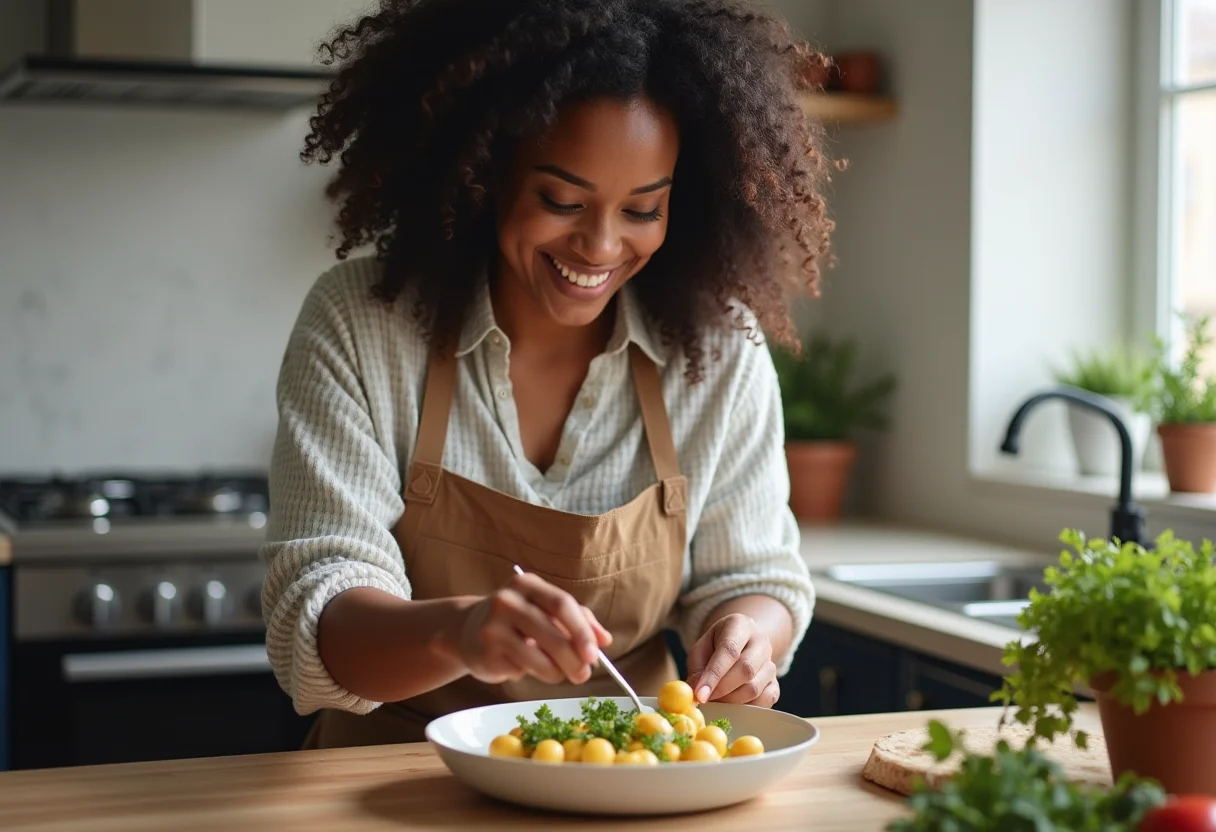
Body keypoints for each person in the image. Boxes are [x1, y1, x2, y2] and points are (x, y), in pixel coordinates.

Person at [261, 0, 836, 749]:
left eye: (642, 210)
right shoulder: (363, 323)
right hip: (390, 777)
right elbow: (317, 622)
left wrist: (746, 634)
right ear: (484, 172)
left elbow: (752, 575)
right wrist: (459, 633)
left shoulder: (719, 348)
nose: (600, 245)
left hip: (632, 773)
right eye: (561, 200)